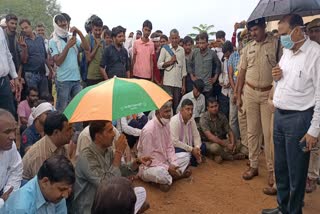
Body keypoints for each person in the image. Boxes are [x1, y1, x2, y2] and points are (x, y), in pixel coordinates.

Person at [262, 14, 320, 214]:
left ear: (297, 31)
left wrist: (314, 129)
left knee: (296, 171)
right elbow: (282, 82)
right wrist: (277, 77)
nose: (281, 38)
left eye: (284, 33)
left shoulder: (316, 54)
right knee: (282, 168)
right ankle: (282, 207)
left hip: (299, 119)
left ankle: (294, 211)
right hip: (279, 116)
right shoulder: (286, 52)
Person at [72, 120, 150, 214]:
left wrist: (135, 163)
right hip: (89, 208)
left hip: (106, 201)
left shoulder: (108, 151)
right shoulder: (87, 156)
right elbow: (105, 185)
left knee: (140, 192)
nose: (113, 134)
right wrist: (118, 152)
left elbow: (119, 169)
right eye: (109, 131)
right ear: (98, 136)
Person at [236, 17, 279, 185]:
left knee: (269, 136)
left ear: (263, 27)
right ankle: (253, 165)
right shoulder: (247, 48)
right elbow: (242, 72)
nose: (253, 33)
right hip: (250, 92)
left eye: (256, 29)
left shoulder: (276, 44)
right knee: (252, 132)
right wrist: (237, 94)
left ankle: (271, 171)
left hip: (269, 94)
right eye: (251, 30)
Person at [137, 101, 191, 192]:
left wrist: (174, 164)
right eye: (166, 112)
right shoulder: (148, 130)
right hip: (149, 167)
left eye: (169, 111)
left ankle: (168, 179)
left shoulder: (166, 124)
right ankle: (177, 176)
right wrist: (168, 168)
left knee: (186, 156)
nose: (169, 114)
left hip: (164, 161)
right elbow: (148, 160)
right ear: (157, 112)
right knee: (161, 173)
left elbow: (169, 147)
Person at [1, 155, 75, 213]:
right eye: (62, 189)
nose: (66, 195)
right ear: (45, 182)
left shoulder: (57, 193)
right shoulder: (21, 208)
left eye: (68, 189)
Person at [49, 14, 89, 112]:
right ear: (56, 25)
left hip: (76, 79)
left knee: (78, 107)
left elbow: (87, 47)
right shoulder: (53, 41)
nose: (64, 28)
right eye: (61, 26)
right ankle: (62, 127)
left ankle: (77, 128)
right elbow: (58, 61)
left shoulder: (71, 37)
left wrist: (79, 32)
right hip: (63, 80)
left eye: (65, 25)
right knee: (62, 108)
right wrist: (68, 46)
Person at [22, 112, 73, 181]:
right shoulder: (40, 155)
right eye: (68, 130)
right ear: (56, 132)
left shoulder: (62, 145)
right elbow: (43, 185)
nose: (72, 133)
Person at [199, 97, 247, 164]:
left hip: (220, 141)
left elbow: (230, 131)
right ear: (208, 108)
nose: (214, 109)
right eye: (212, 107)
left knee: (239, 144)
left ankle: (219, 155)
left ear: (218, 105)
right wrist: (226, 145)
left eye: (216, 106)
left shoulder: (222, 116)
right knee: (215, 148)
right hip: (208, 142)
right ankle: (230, 157)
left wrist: (232, 144)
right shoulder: (204, 118)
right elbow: (210, 137)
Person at [305, 18, 320, 194]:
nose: (314, 34)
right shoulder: (308, 53)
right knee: (313, 142)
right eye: (312, 30)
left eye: (317, 30)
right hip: (310, 105)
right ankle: (311, 175)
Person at [19, 19, 51, 97]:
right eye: (22, 29)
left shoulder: (40, 39)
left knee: (45, 97)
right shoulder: (22, 41)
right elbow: (24, 61)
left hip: (42, 73)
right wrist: (24, 48)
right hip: (30, 74)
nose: (25, 30)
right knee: (33, 98)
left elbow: (45, 56)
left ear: (31, 26)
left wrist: (51, 70)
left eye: (26, 27)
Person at [157, 29, 187, 112]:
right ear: (169, 39)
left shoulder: (182, 50)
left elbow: (183, 68)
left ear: (179, 38)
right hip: (167, 83)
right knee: (167, 106)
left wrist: (183, 85)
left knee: (176, 106)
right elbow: (159, 65)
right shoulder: (165, 49)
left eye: (176, 38)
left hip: (178, 83)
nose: (174, 40)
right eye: (172, 38)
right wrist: (170, 62)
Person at [171, 99, 205, 167]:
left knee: (203, 147)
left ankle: (193, 159)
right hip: (178, 148)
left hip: (189, 147)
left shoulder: (191, 119)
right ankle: (192, 160)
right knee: (183, 153)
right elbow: (174, 142)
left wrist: (197, 148)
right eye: (188, 109)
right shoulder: (175, 121)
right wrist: (192, 149)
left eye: (192, 109)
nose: (190, 112)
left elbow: (196, 135)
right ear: (181, 110)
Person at [0, 109, 23, 208]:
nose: (13, 137)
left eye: (14, 131)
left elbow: (17, 168)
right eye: (7, 132)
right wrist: (2, 201)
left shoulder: (11, 146)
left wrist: (9, 192)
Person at [191, 32, 221, 100]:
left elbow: (218, 65)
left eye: (203, 43)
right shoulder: (195, 52)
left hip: (208, 86)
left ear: (207, 43)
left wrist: (215, 77)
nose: (201, 45)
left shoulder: (212, 53)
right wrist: (192, 75)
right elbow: (189, 64)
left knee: (208, 106)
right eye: (200, 43)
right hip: (197, 86)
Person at [0, 26, 21, 117]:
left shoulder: (0, 30)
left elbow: (7, 54)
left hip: (4, 81)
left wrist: (15, 77)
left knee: (9, 113)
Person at [86, 16, 105, 86]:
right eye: (96, 30)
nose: (98, 32)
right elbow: (88, 58)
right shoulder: (88, 38)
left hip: (101, 76)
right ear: (92, 29)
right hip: (92, 77)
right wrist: (97, 45)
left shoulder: (103, 41)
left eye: (99, 30)